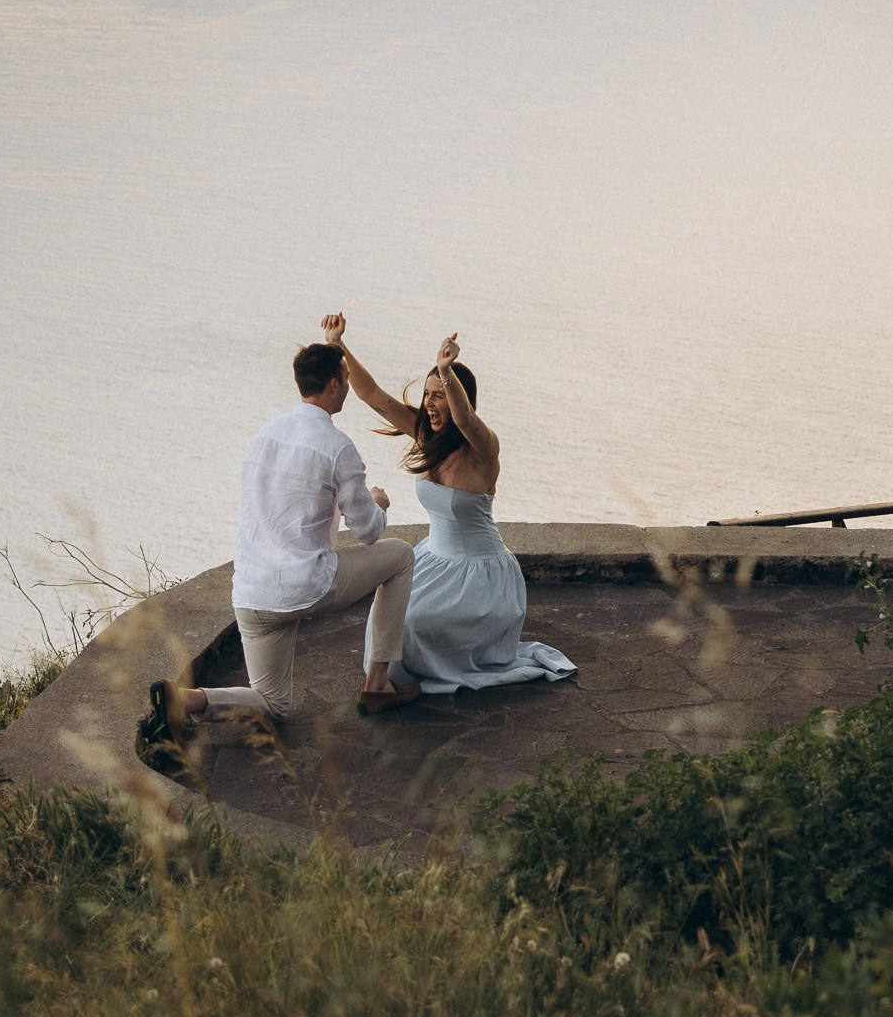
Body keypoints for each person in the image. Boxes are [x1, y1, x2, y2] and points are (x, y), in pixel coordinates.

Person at [141, 318, 423, 762]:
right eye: (346, 380)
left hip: (251, 592)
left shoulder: (263, 436)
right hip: (306, 586)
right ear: (334, 385)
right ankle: (378, 683)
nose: (348, 387)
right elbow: (369, 532)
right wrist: (378, 501)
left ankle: (187, 700)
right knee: (401, 556)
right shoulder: (337, 447)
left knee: (274, 704)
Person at [340, 328, 576, 695]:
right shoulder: (427, 437)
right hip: (432, 560)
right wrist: (339, 346)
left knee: (412, 624)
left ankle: (407, 688)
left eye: (439, 396)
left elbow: (464, 419)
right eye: (427, 394)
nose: (430, 403)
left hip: (481, 574)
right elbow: (374, 397)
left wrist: (446, 371)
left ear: (458, 397)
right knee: (386, 617)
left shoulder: (483, 450)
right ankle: (383, 688)